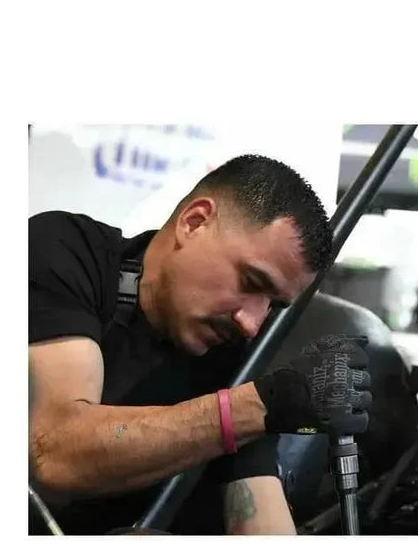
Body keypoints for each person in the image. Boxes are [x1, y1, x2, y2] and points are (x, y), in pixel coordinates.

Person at [28, 154, 372, 535]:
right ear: (194, 222)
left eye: (272, 305)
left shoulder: (230, 360)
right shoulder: (67, 255)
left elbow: (263, 522)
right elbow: (53, 454)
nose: (251, 324)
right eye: (251, 281)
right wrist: (255, 406)